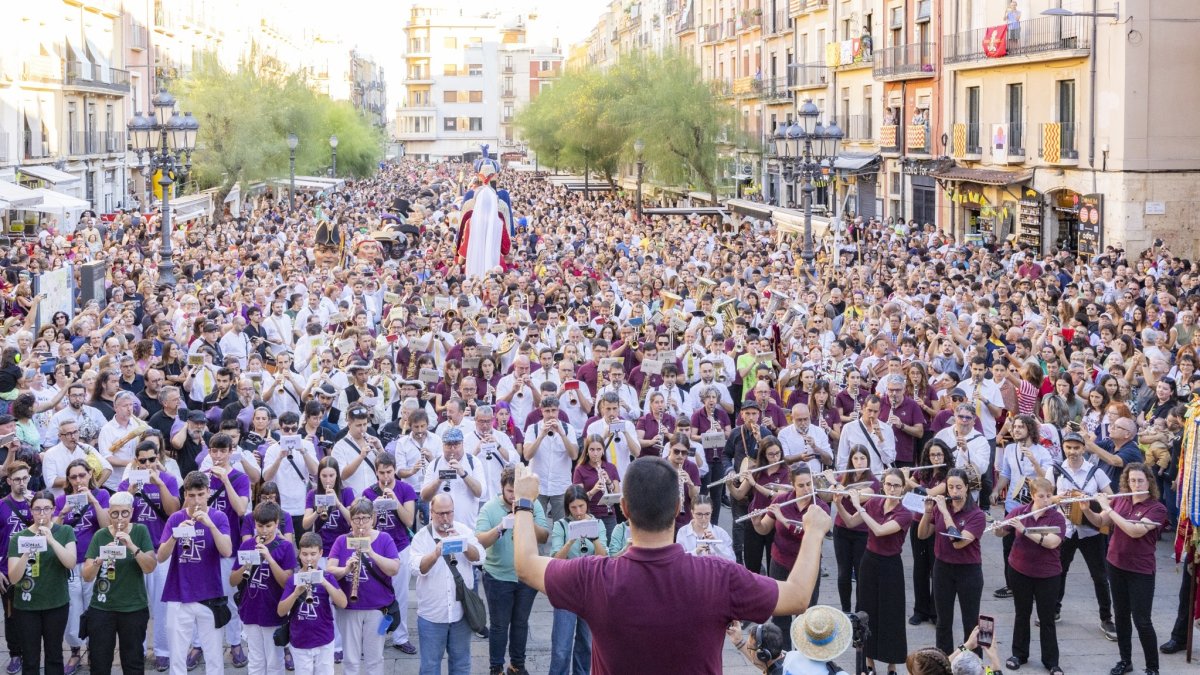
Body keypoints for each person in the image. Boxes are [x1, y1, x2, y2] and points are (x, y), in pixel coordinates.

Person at [512, 455, 831, 672]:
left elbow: (526, 564)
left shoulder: (595, 576)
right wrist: (814, 532)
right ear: (679, 506)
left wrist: (524, 501)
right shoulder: (717, 576)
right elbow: (798, 594)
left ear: (624, 507)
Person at [1085, 463, 1168, 675]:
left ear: (1149, 482)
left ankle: (1152, 667)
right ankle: (1125, 661)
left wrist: (1108, 508)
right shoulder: (1122, 500)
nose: (1135, 484)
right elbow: (1101, 522)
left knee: (1142, 620)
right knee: (1121, 617)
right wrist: (1086, 510)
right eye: (1132, 480)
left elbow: (1133, 531)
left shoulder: (1157, 508)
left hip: (1140, 570)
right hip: (1115, 565)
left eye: (1140, 480)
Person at [155, 470, 233, 675]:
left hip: (210, 595)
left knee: (214, 655)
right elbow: (161, 557)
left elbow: (227, 551)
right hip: (179, 595)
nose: (196, 500)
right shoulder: (175, 519)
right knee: (177, 656)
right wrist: (175, 535)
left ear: (208, 492)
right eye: (191, 495)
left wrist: (210, 525)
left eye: (200, 494)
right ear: (185, 495)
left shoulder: (219, 516)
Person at [476, 466, 549, 675]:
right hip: (498, 577)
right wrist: (500, 527)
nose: (514, 497)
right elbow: (481, 540)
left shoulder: (532, 504)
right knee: (499, 626)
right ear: (502, 488)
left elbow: (544, 536)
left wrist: (524, 515)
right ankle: (496, 667)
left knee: (520, 623)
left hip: (526, 577)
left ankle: (517, 665)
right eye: (510, 492)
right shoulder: (490, 508)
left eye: (517, 493)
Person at [839, 468, 914, 674]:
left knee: (892, 614)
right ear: (883, 485)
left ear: (902, 489)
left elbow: (880, 531)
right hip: (870, 562)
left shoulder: (904, 514)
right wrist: (838, 503)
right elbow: (851, 522)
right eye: (888, 484)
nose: (891, 489)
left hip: (891, 566)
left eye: (896, 486)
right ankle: (868, 661)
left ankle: (892, 664)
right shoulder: (874, 503)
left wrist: (859, 506)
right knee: (866, 611)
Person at [991, 477, 1065, 674]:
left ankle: (1051, 661)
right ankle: (1019, 654)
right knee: (1022, 614)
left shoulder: (1056, 518)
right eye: (1041, 496)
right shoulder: (1019, 512)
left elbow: (1051, 543)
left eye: (1049, 496)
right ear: (1032, 496)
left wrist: (1024, 530)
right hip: (1020, 571)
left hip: (1048, 574)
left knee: (1046, 618)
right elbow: (1001, 533)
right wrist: (998, 527)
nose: (1046, 500)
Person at [752, 465, 829, 650]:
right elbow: (764, 528)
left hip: (808, 567)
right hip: (780, 562)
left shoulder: (820, 508)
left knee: (805, 613)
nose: (806, 489)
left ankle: (805, 655)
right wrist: (756, 522)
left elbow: (807, 534)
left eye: (809, 484)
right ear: (793, 485)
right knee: (780, 614)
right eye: (801, 485)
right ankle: (783, 656)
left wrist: (783, 519)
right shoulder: (782, 501)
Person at [119, 439, 181, 671]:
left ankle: (163, 651)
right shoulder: (127, 483)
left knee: (162, 605)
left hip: (160, 549)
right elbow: (119, 518)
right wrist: (130, 493)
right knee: (136, 606)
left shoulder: (168, 480)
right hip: (134, 550)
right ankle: (139, 649)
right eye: (142, 460)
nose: (147, 464)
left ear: (158, 459)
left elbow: (173, 511)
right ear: (136, 461)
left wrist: (160, 484)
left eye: (151, 460)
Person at [409, 492, 485, 675]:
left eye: (449, 513)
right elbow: (417, 568)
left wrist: (464, 544)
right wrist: (435, 553)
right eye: (440, 513)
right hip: (432, 616)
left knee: (461, 665)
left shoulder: (463, 530)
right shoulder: (421, 537)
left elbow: (481, 557)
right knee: (430, 667)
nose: (445, 518)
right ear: (431, 512)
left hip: (461, 613)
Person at [81, 491, 157, 675]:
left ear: (131, 512)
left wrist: (131, 546)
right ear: (109, 514)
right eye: (115, 513)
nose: (119, 518)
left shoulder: (140, 531)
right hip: (102, 607)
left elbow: (150, 567)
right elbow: (87, 575)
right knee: (99, 662)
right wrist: (99, 560)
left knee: (133, 662)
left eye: (124, 513)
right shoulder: (100, 535)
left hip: (133, 608)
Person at [1052, 431, 1116, 640]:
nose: (1072, 452)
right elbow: (1045, 497)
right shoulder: (1055, 471)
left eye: (1076, 448)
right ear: (1063, 448)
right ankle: (1054, 608)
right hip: (1067, 530)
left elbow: (1111, 496)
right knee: (1059, 570)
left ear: (1084, 449)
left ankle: (1106, 618)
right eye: (1069, 448)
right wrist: (1059, 498)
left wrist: (1096, 500)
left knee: (1099, 575)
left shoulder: (1095, 471)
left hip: (1091, 531)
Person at [6, 489, 76, 675]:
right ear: (31, 510)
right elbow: (13, 578)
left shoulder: (65, 531)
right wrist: (28, 550)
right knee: (30, 657)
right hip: (27, 606)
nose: (42, 513)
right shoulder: (19, 537)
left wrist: (51, 541)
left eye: (46, 509)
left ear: (53, 509)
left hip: (56, 603)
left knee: (54, 655)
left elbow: (70, 562)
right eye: (37, 509)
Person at [918, 467, 986, 656]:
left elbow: (958, 542)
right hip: (942, 568)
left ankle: (973, 663)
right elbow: (922, 534)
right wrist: (927, 512)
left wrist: (944, 513)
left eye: (958, 487)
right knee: (943, 621)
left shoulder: (977, 515)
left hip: (968, 571)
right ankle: (943, 661)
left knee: (971, 621)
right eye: (950, 488)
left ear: (966, 488)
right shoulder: (941, 509)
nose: (954, 492)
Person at [54, 458, 110, 670]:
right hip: (69, 562)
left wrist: (92, 501)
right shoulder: (61, 500)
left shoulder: (101, 495)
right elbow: (53, 533)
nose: (78, 480)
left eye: (82, 475)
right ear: (68, 479)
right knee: (72, 607)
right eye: (73, 476)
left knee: (93, 605)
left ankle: (95, 649)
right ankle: (76, 650)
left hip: (92, 560)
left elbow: (106, 528)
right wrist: (62, 513)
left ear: (90, 475)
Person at [229, 501, 297, 675]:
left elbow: (286, 582)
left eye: (268, 526)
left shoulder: (286, 547)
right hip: (250, 609)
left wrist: (269, 558)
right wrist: (246, 565)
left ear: (276, 523)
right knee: (256, 661)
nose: (264, 530)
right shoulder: (247, 545)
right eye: (260, 526)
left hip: (273, 610)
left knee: (274, 661)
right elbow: (232, 580)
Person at [361, 452, 418, 653]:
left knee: (401, 594)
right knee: (374, 594)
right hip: (376, 549)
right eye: (381, 473)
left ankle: (400, 637)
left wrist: (395, 501)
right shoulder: (368, 493)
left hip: (400, 546)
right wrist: (375, 507)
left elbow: (409, 521)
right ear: (376, 472)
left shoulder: (405, 489)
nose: (385, 477)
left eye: (389, 472)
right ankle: (374, 637)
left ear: (395, 470)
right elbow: (368, 525)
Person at [276, 532, 347, 674]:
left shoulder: (327, 576)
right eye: (305, 554)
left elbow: (343, 603)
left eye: (313, 554)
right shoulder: (293, 579)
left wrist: (325, 582)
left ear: (320, 553)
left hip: (324, 639)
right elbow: (281, 611)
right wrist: (296, 593)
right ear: (300, 554)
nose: (309, 559)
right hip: (300, 640)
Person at [728, 434, 789, 573]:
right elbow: (739, 494)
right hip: (754, 518)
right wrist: (729, 485)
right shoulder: (756, 471)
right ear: (763, 455)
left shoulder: (786, 472)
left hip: (774, 520)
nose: (775, 458)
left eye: (778, 453)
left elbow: (778, 495)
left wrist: (754, 484)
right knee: (751, 563)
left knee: (773, 563)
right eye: (771, 454)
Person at [828, 444, 878, 613]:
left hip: (862, 533)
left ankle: (859, 612)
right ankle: (845, 610)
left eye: (862, 458)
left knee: (860, 573)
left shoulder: (873, 481)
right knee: (843, 573)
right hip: (841, 530)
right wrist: (827, 484)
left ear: (868, 460)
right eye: (855, 459)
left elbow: (861, 497)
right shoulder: (844, 478)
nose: (859, 462)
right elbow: (828, 495)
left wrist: (834, 483)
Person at [907, 439, 949, 626]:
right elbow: (908, 488)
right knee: (920, 567)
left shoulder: (948, 475)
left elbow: (930, 492)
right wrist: (906, 479)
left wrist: (906, 478)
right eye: (932, 455)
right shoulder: (922, 471)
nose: (936, 458)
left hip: (936, 523)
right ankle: (920, 610)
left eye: (939, 454)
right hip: (917, 521)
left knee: (936, 568)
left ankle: (935, 611)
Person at [675, 494, 734, 560]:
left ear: (711, 511)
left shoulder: (720, 533)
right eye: (699, 514)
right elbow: (679, 560)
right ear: (692, 512)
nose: (703, 518)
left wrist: (716, 544)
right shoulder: (683, 532)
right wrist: (695, 552)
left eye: (707, 514)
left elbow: (732, 559)